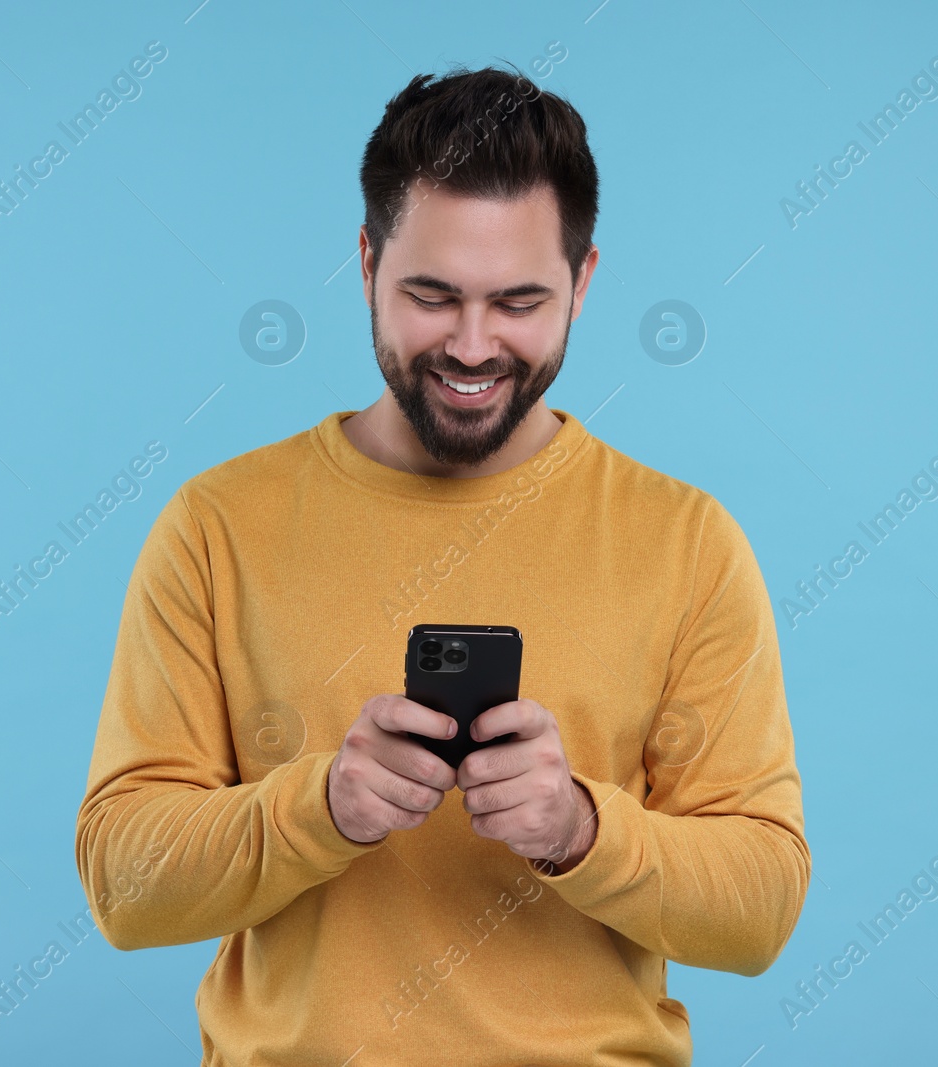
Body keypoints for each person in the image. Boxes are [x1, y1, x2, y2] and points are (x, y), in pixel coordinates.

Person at [75, 63, 810, 1067]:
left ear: (584, 281)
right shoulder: (216, 526)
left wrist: (578, 826)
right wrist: (319, 804)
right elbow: (123, 883)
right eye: (431, 294)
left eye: (518, 300)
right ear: (368, 262)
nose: (472, 345)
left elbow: (760, 907)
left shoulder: (685, 542)